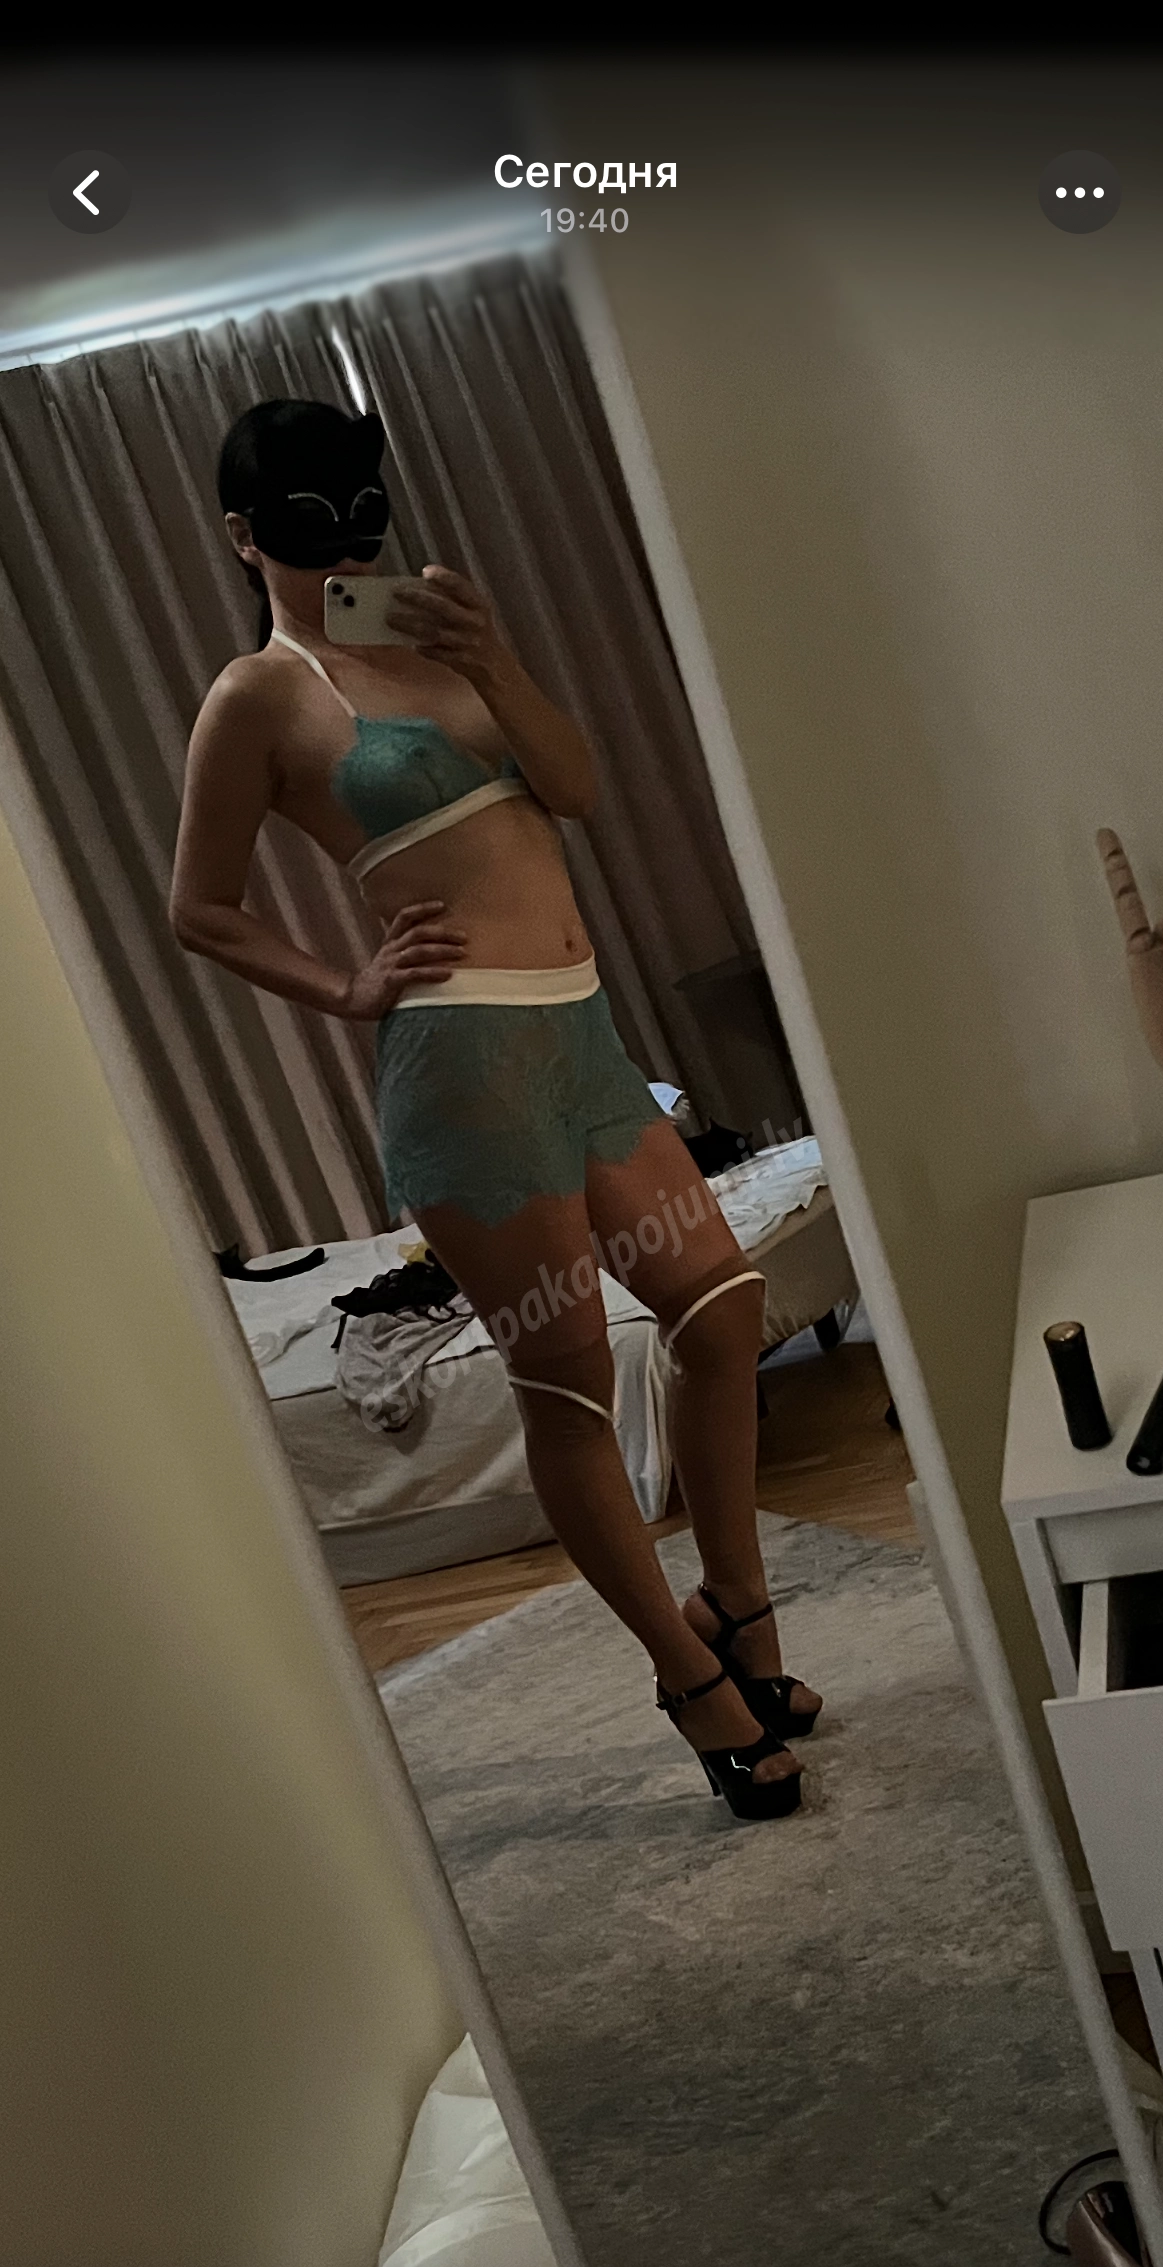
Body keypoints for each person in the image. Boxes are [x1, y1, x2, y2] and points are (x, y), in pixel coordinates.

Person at [171, 397, 823, 1820]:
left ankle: (737, 1604)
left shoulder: (441, 642)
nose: (346, 547)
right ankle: (690, 1680)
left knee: (720, 1310)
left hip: (582, 1036)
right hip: (461, 1072)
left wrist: (494, 657)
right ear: (242, 536)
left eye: (363, 511)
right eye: (306, 523)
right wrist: (346, 989)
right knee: (570, 1377)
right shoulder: (257, 697)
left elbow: (575, 789)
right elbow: (198, 908)